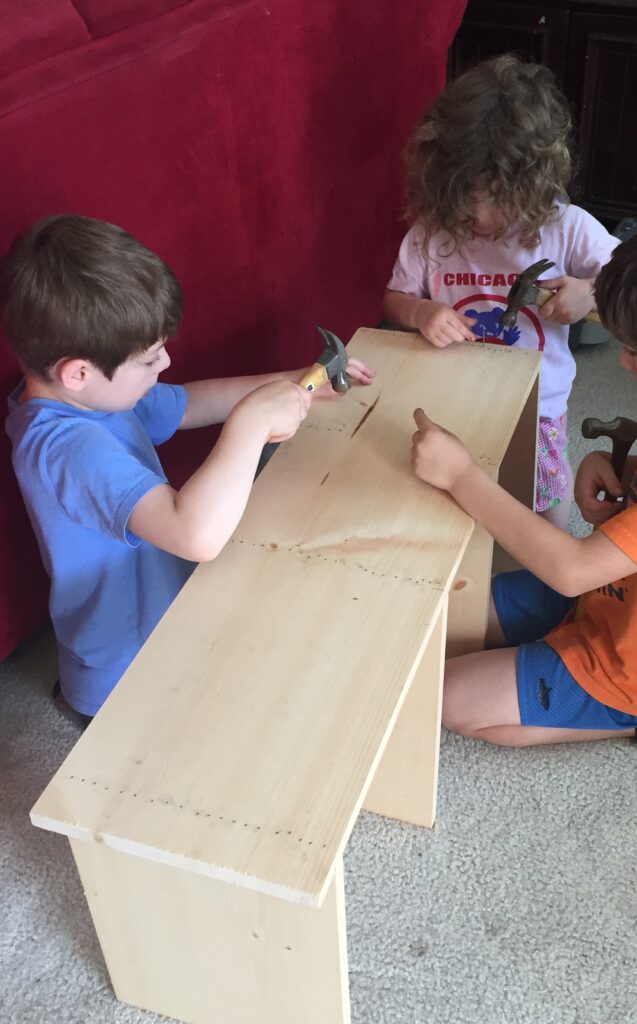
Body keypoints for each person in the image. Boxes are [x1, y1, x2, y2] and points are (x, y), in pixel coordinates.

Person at [410, 199, 637, 747]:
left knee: (450, 700)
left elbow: (573, 568)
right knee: (453, 620)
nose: (622, 362)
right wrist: (621, 465)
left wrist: (461, 476)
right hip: (609, 599)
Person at [1, 214, 374, 726]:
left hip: (160, 608)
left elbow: (186, 403)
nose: (167, 365)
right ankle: (79, 704)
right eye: (150, 359)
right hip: (124, 662)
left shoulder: (91, 398)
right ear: (79, 372)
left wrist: (294, 381)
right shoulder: (67, 447)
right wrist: (249, 425)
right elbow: (193, 535)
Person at [383, 54, 619, 529]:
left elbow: (631, 282)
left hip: (539, 406)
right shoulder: (432, 233)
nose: (482, 221)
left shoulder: (564, 227)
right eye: (467, 206)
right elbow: (393, 299)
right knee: (453, 496)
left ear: (532, 186)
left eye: (498, 205)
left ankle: (545, 569)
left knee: (546, 504)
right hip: (453, 395)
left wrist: (590, 293)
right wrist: (420, 312)